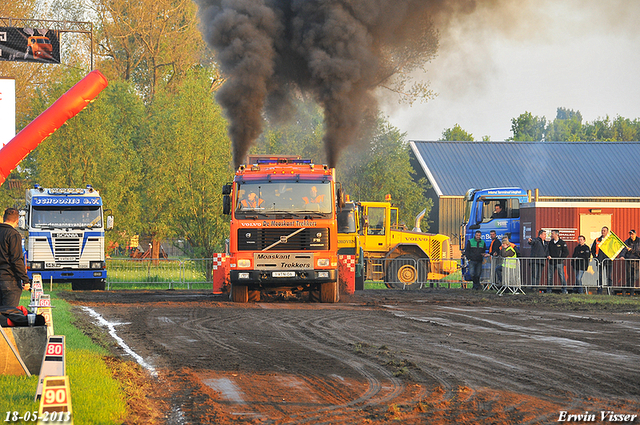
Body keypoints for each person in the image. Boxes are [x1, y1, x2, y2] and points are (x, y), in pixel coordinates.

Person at [0, 208, 30, 307]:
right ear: (17, 220)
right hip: (9, 281)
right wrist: (25, 280)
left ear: (4, 218)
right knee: (9, 314)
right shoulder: (13, 234)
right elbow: (16, 260)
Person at [591, 226, 612, 294]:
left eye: (604, 231)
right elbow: (593, 249)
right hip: (600, 261)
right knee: (600, 276)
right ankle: (599, 289)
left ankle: (609, 290)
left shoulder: (610, 240)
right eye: (602, 230)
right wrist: (595, 258)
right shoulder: (597, 240)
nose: (603, 232)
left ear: (607, 232)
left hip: (608, 260)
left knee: (609, 276)